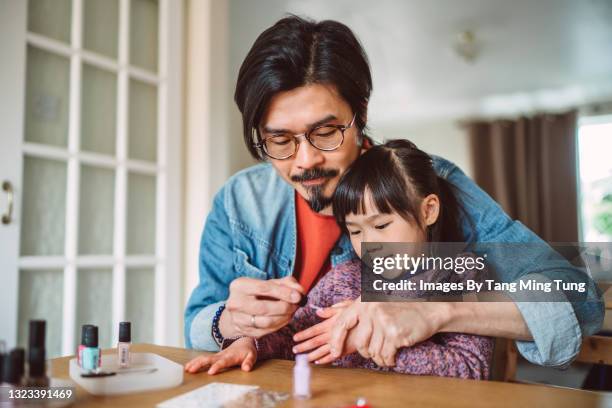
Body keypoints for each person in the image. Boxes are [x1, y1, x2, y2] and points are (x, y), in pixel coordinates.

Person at [184, 15, 603, 369]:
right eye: (279, 140)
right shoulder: (240, 203)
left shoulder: (429, 184)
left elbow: (575, 295)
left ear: (360, 115)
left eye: (326, 132)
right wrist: (230, 321)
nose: (304, 160)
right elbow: (196, 323)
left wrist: (437, 312)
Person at [185, 140, 493, 379]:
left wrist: (372, 341)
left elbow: (471, 368)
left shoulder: (462, 275)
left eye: (382, 225)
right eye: (355, 231)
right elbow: (295, 335)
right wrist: (249, 344)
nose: (369, 243)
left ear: (428, 211)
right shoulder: (345, 277)